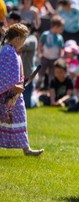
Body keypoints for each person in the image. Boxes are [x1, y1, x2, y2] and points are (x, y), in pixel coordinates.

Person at [0, 23, 44, 156]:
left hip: (14, 94)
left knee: (20, 119)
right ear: (18, 38)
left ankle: (26, 149)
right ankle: (27, 149)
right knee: (7, 119)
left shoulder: (11, 50)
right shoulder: (8, 51)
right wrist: (15, 87)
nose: (24, 43)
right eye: (24, 39)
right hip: (8, 95)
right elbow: (4, 75)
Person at [37, 15, 64, 90]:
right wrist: (39, 53)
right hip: (45, 56)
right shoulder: (45, 34)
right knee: (41, 72)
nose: (61, 30)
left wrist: (60, 58)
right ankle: (38, 86)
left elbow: (61, 48)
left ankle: (50, 88)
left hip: (54, 59)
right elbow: (40, 44)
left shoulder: (60, 37)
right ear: (55, 26)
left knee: (52, 74)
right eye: (60, 28)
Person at [20, 21, 39, 108]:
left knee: (27, 104)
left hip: (28, 75)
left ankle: (35, 99)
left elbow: (24, 45)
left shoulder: (32, 39)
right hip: (17, 75)